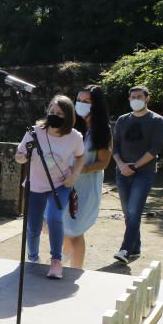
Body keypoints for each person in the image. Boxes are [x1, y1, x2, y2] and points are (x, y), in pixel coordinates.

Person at [15, 95, 84, 279]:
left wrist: (75, 175)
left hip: (60, 184)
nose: (54, 115)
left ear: (67, 116)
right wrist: (23, 157)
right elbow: (19, 154)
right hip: (35, 184)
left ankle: (56, 261)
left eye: (59, 113)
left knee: (54, 217)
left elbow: (80, 156)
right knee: (34, 226)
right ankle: (33, 257)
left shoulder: (75, 137)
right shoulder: (35, 131)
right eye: (51, 112)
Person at [111, 85, 163, 264]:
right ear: (129, 99)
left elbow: (155, 149)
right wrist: (121, 165)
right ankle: (135, 248)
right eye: (133, 96)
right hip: (122, 171)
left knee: (135, 210)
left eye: (139, 96)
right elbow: (116, 145)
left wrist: (134, 166)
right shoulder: (122, 120)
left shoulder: (157, 120)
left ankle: (125, 249)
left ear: (147, 98)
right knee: (128, 213)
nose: (136, 99)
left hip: (143, 172)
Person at [63, 85, 112, 268]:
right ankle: (61, 260)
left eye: (86, 101)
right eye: (79, 100)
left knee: (76, 230)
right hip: (67, 184)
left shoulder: (102, 130)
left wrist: (78, 169)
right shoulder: (73, 126)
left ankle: (75, 270)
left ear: (95, 105)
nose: (81, 104)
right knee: (64, 227)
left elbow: (103, 163)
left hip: (86, 187)